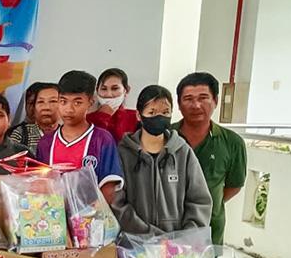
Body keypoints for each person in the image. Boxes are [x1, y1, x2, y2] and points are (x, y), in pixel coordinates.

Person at [113, 85, 212, 235]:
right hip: (135, 243)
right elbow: (117, 203)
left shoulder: (183, 152)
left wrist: (185, 238)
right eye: (152, 112)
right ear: (139, 115)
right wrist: (150, 235)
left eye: (165, 112)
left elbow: (199, 200)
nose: (159, 118)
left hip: (177, 244)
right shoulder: (123, 153)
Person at [173, 72, 247, 245]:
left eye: (203, 98)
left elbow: (234, 185)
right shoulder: (166, 137)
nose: (196, 105)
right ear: (179, 104)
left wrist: (206, 204)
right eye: (188, 99)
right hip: (168, 231)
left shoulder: (232, 142)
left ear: (216, 101)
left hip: (210, 230)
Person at [37, 71, 124, 202]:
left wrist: (91, 212)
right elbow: (41, 185)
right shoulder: (46, 142)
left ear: (90, 102)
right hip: (53, 212)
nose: (69, 109)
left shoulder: (102, 139)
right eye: (63, 101)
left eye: (77, 103)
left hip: (92, 213)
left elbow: (108, 187)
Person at [88, 68, 140, 143]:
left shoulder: (136, 117)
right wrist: (102, 117)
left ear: (126, 90)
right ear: (97, 90)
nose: (109, 94)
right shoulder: (87, 119)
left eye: (115, 89)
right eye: (104, 89)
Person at [8, 82, 59, 154]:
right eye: (40, 102)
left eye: (53, 101)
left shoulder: (69, 134)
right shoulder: (21, 133)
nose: (46, 107)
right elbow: (10, 158)